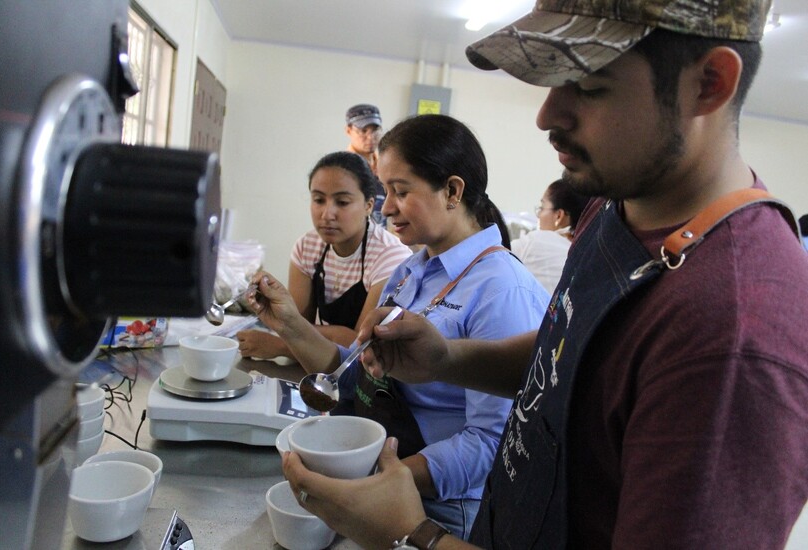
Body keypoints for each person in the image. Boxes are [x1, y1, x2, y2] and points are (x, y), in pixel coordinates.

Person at [281, 1, 808, 549]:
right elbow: (569, 356)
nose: (547, 115)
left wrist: (412, 533)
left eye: (590, 85)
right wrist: (447, 359)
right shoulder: (615, 209)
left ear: (709, 83)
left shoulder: (737, 330)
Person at [247, 114, 550, 538]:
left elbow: (493, 442)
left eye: (400, 191)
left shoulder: (501, 290)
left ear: (452, 191)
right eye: (385, 191)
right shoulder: (411, 271)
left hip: (438, 507)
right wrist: (289, 324)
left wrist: (378, 480)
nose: (386, 207)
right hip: (384, 472)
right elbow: (354, 375)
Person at [236, 151, 411, 358]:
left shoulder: (390, 257)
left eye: (342, 202)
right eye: (319, 200)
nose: (327, 215)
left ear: (368, 206)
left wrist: (280, 345)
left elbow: (360, 344)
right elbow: (295, 325)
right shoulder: (307, 247)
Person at [510, 178, 590, 294]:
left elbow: (494, 254)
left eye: (542, 208)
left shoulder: (537, 241)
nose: (539, 215)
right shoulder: (588, 254)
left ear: (559, 216)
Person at [346, 103, 387, 226]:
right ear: (348, 130)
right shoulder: (343, 168)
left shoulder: (384, 165)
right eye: (363, 131)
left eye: (375, 130)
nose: (370, 137)